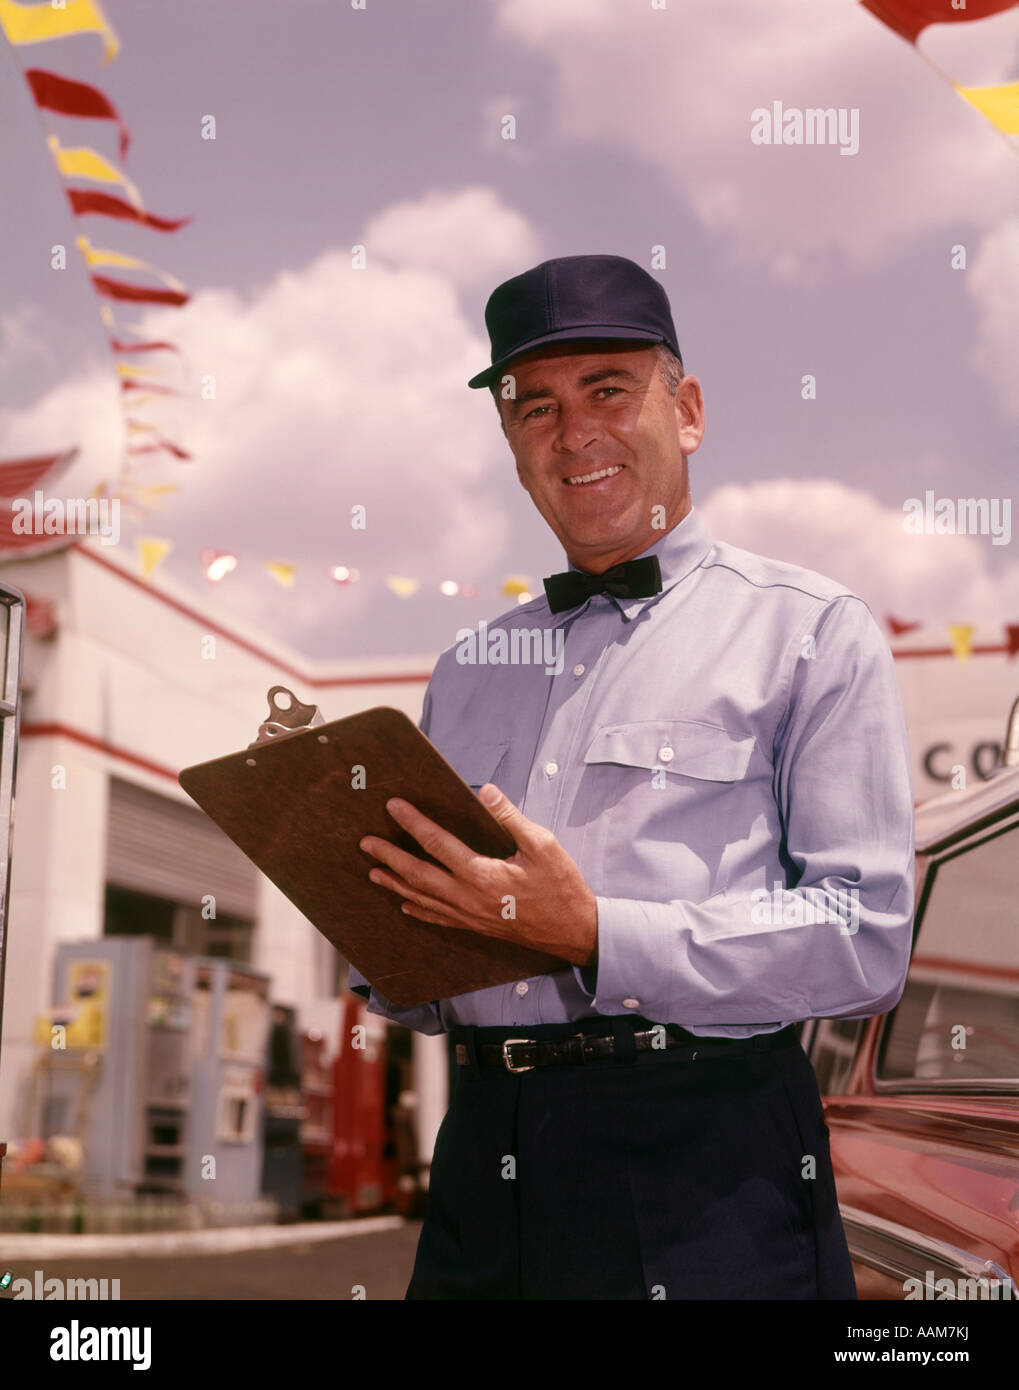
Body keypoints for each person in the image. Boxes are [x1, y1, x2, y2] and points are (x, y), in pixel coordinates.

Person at [351, 253, 915, 1300]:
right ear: (510, 442)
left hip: (702, 1164)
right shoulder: (465, 671)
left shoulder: (811, 633)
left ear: (686, 409)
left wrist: (597, 934)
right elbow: (437, 970)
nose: (572, 433)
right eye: (533, 407)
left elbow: (863, 936)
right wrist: (385, 918)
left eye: (607, 388)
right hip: (482, 1160)